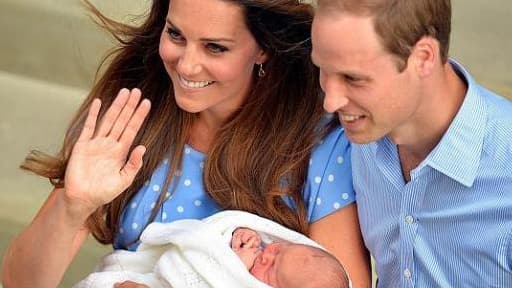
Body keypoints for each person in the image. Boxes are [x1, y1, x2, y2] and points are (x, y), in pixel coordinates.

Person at [2, 0, 370, 287]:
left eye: (214, 47)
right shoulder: (136, 114)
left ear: (263, 49)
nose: (187, 66)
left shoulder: (319, 148)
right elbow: (21, 282)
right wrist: (72, 207)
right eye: (176, 35)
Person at [311, 0, 512, 287]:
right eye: (323, 70)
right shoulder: (357, 135)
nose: (331, 101)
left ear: (424, 57)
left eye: (353, 79)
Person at [75, 211, 350, 288]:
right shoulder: (250, 252)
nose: (266, 253)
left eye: (273, 267)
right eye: (278, 250)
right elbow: (205, 248)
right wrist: (236, 239)